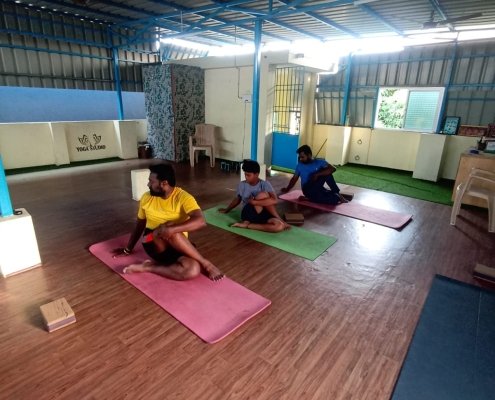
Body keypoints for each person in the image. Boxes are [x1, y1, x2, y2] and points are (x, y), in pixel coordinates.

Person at [113, 163, 224, 281]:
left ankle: (148, 267)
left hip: (177, 243)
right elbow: (140, 224)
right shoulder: (146, 197)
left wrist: (172, 230)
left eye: (151, 181)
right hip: (151, 240)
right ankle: (206, 263)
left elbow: (200, 221)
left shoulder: (183, 197)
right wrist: (128, 249)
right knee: (168, 227)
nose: (148, 184)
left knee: (193, 269)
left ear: (164, 183)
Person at [219, 159, 289, 232]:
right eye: (245, 174)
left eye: (248, 175)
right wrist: (227, 210)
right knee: (262, 195)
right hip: (248, 213)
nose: (246, 177)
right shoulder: (242, 184)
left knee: (279, 226)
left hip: (263, 212)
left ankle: (248, 226)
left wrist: (254, 202)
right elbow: (237, 199)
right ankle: (247, 222)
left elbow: (274, 200)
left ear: (256, 174)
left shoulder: (265, 184)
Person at [281, 145, 349, 205]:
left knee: (335, 199)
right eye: (300, 157)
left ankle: (335, 194)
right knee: (334, 199)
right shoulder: (300, 165)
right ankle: (310, 198)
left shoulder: (320, 162)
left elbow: (333, 169)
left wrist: (317, 174)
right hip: (308, 189)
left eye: (302, 157)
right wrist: (287, 189)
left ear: (309, 155)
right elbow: (294, 179)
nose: (301, 159)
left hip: (319, 189)